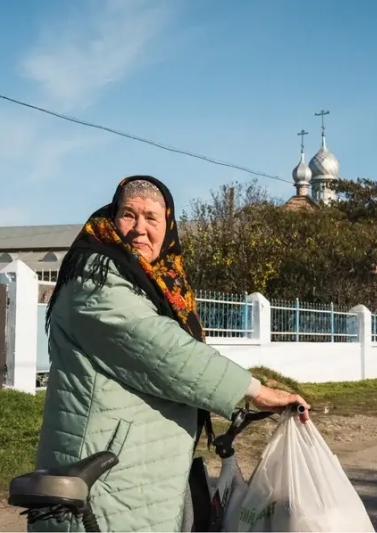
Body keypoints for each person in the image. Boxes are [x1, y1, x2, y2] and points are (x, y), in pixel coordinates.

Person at [31, 175, 310, 532]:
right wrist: (255, 391)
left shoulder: (150, 281)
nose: (139, 229)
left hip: (133, 470)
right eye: (129, 215)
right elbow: (164, 350)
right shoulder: (95, 279)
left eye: (152, 218)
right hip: (105, 476)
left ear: (169, 225)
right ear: (112, 218)